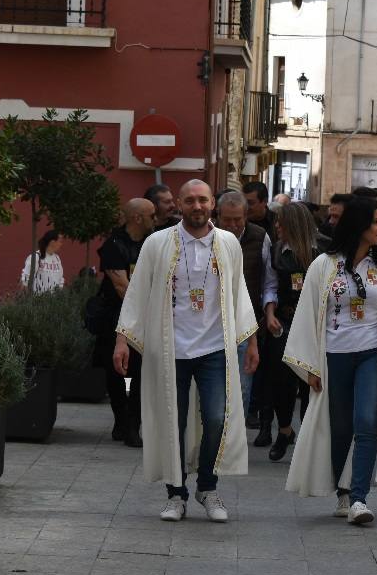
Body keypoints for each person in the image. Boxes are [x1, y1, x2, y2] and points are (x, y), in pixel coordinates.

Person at [113, 180, 259, 523]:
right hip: (170, 348)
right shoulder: (157, 243)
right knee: (171, 422)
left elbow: (240, 294)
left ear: (213, 205)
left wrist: (250, 341)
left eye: (203, 200)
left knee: (216, 418)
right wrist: (123, 339)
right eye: (190, 200)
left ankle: (207, 487)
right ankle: (175, 494)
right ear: (179, 203)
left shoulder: (227, 244)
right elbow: (137, 293)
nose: (197, 206)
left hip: (213, 349)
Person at [283, 197, 377, 525]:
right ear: (359, 225)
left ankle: (359, 498)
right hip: (333, 356)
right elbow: (308, 313)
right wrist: (309, 363)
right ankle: (342, 490)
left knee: (366, 420)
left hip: (372, 354)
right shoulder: (324, 265)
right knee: (340, 427)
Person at [215, 191, 278, 443]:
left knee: (242, 383)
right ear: (217, 216)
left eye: (237, 220)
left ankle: (231, 438)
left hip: (245, 322)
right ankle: (213, 434)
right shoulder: (208, 237)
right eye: (226, 220)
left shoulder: (260, 237)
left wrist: (267, 311)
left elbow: (269, 280)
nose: (231, 225)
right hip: (211, 322)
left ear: (246, 216)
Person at [264, 202, 324, 461]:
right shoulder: (276, 250)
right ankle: (285, 430)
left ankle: (309, 439)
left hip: (316, 324)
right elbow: (270, 285)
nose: (277, 226)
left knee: (310, 381)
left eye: (281, 221)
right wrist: (269, 313)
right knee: (280, 381)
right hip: (285, 321)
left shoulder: (324, 249)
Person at [96, 198, 156, 447]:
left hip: (146, 318)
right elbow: (123, 287)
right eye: (152, 215)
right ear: (138, 218)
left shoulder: (152, 244)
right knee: (118, 373)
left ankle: (133, 425)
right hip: (117, 318)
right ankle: (121, 419)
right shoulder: (114, 245)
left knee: (139, 373)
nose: (156, 219)